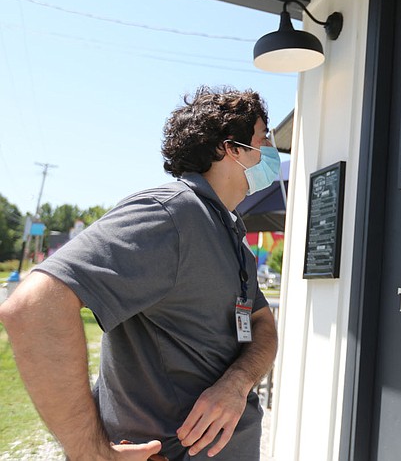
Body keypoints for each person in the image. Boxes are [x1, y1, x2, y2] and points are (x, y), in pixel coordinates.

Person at [0, 86, 280, 460]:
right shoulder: (171, 214)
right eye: (263, 140)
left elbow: (262, 324)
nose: (271, 153)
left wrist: (236, 382)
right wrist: (90, 452)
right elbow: (34, 307)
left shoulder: (229, 232)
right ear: (230, 148)